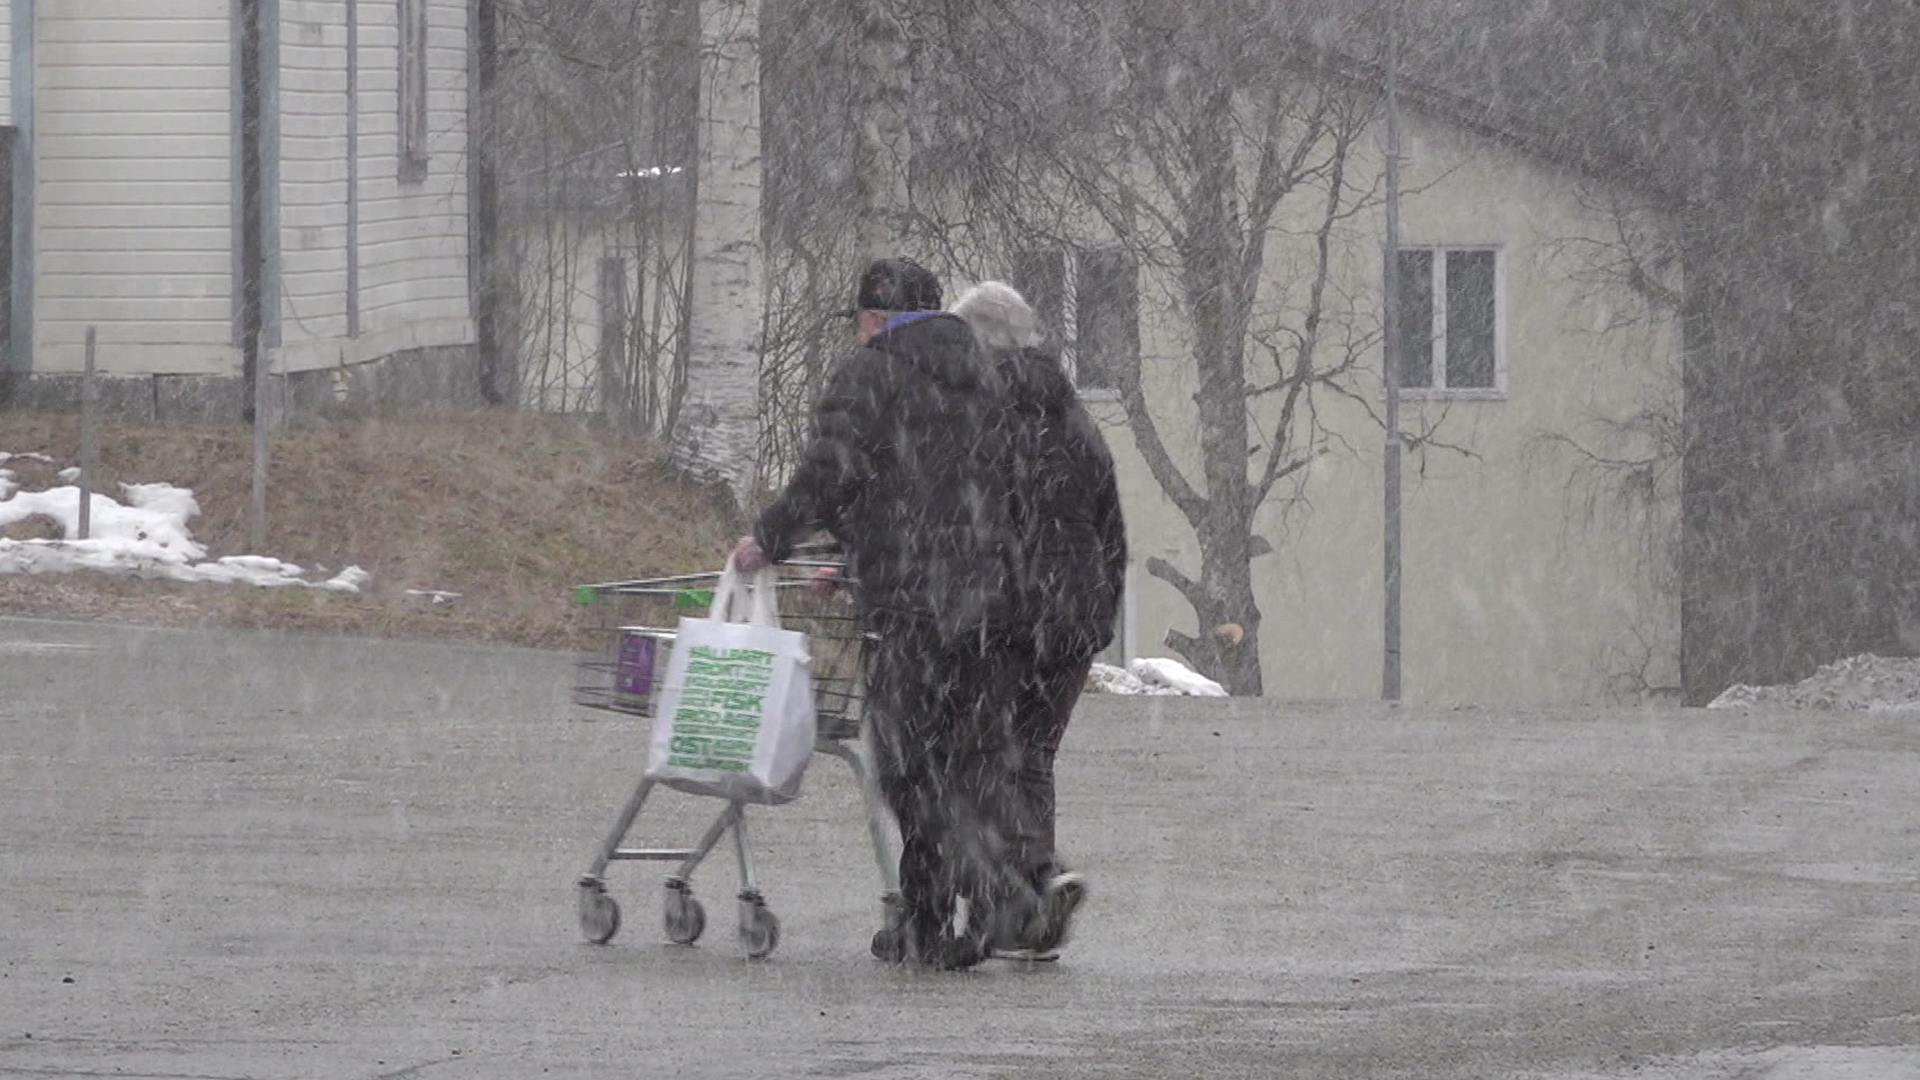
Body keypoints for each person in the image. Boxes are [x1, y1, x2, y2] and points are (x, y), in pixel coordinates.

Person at [731, 258, 1033, 970]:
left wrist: (770, 539)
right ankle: (932, 924)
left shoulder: (870, 374)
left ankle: (994, 883)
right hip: (987, 600)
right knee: (955, 761)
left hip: (913, 602)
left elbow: (834, 473)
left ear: (873, 318)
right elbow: (976, 482)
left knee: (907, 768)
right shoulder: (987, 375)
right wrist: (854, 552)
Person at [951, 281, 1127, 963]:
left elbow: (964, 516)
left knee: (978, 751)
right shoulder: (1074, 414)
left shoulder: (977, 412)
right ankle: (1035, 924)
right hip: (1074, 614)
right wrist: (1099, 607)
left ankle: (1035, 875)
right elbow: (1109, 521)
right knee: (1031, 758)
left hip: (1009, 612)